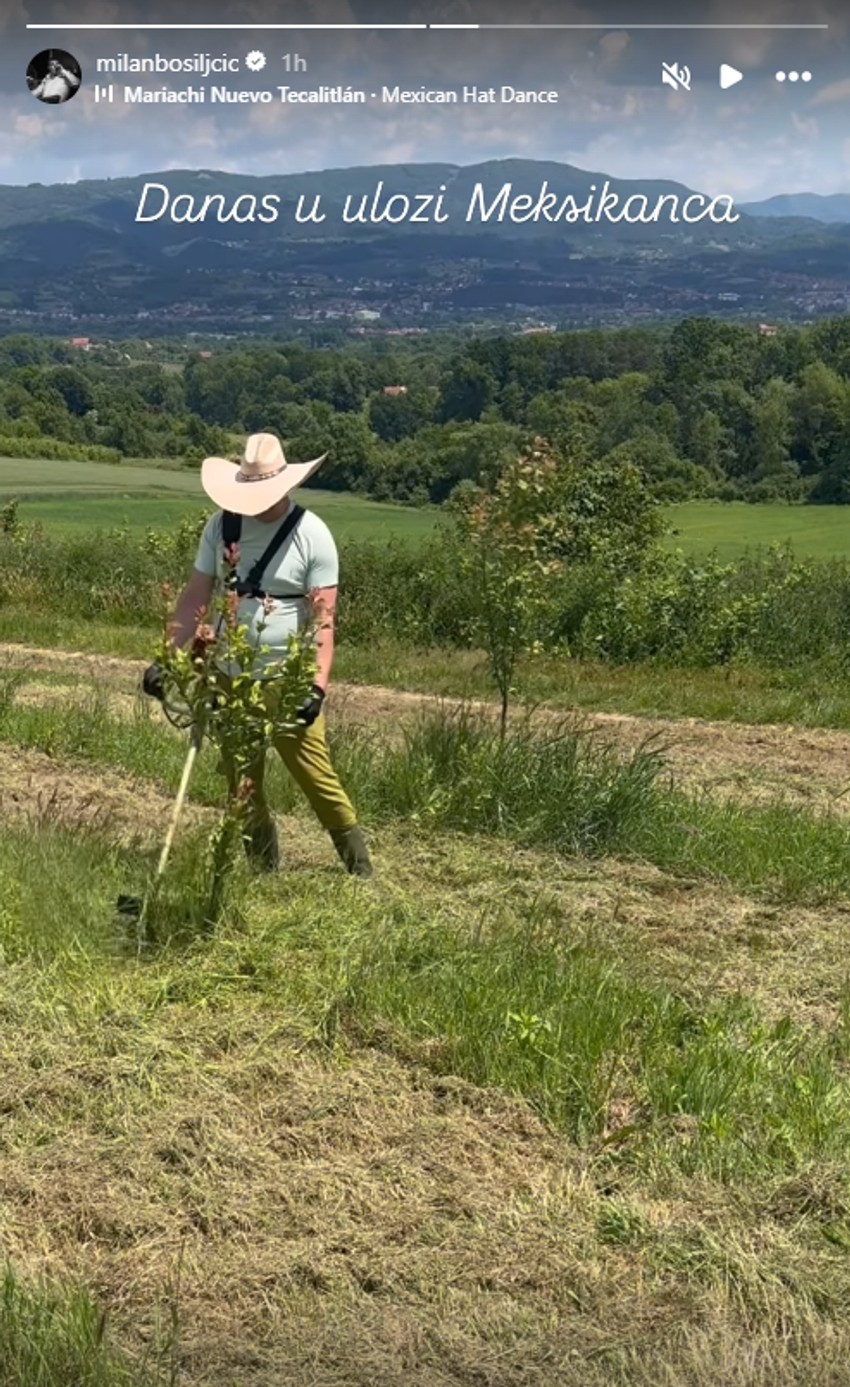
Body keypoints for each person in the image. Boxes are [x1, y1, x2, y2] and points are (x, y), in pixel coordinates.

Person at [142, 432, 372, 879]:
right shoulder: (221, 527)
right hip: (231, 676)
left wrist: (316, 687)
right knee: (242, 784)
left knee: (316, 778)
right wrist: (167, 658)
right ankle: (262, 873)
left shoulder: (313, 535)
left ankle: (360, 871)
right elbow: (195, 599)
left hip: (289, 681)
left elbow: (323, 620)